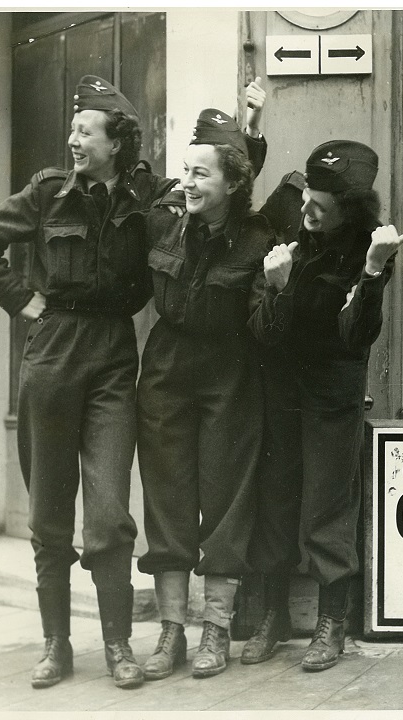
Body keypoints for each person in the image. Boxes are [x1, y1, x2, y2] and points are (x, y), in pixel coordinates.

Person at [0, 75, 266, 692]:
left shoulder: (146, 195)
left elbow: (220, 182)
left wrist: (250, 129)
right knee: (50, 510)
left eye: (84, 131)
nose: (73, 140)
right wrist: (24, 304)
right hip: (51, 353)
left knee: (108, 516)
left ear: (116, 141)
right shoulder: (47, 193)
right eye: (73, 130)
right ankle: (56, 644)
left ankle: (117, 644)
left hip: (112, 356)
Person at [246, 141, 403, 672]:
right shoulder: (290, 231)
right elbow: (265, 334)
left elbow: (355, 334)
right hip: (280, 389)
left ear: (351, 207)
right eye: (306, 198)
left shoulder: (369, 248)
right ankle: (272, 614)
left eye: (319, 203)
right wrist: (278, 290)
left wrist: (373, 272)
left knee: (327, 507)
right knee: (275, 500)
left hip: (333, 393)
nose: (306, 210)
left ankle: (331, 620)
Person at [136, 108, 273, 681]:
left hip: (229, 372)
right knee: (167, 499)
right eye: (184, 172)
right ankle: (172, 629)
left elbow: (266, 324)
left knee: (224, 502)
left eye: (201, 175)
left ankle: (215, 628)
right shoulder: (163, 219)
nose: (186, 184)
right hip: (166, 368)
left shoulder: (259, 237)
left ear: (234, 184)